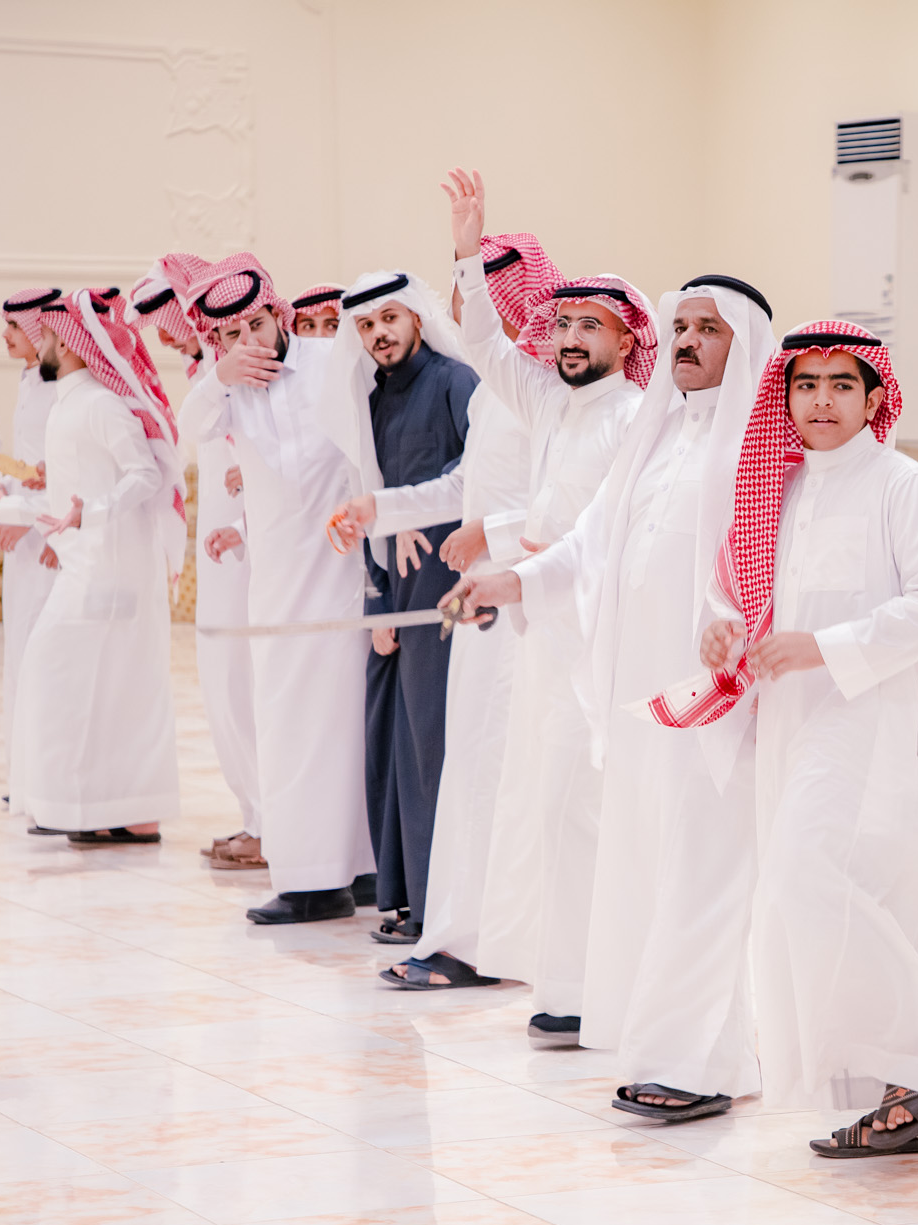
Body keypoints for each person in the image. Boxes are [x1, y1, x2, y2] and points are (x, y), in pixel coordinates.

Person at [444, 274, 777, 1111]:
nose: (690, 340)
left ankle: (699, 1064)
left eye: (710, 328)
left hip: (716, 700)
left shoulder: (758, 447)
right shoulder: (656, 436)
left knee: (704, 871)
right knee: (648, 864)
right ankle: (679, 1049)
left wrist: (735, 627)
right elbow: (589, 543)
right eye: (682, 325)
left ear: (745, 344)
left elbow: (772, 564)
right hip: (638, 699)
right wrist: (510, 580)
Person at [661, 319, 918, 1150]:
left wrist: (823, 647)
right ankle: (892, 1088)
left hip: (877, 730)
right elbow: (733, 592)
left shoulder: (906, 486)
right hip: (795, 727)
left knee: (813, 885)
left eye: (841, 384)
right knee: (806, 907)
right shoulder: (780, 487)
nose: (821, 400)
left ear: (874, 398)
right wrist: (720, 629)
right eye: (805, 384)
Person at [441, 168, 653, 1045]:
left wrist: (519, 566)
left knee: (580, 808)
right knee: (542, 804)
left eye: (588, 326)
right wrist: (468, 250)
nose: (568, 338)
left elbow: (605, 536)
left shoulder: (633, 415)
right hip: (543, 634)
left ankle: (594, 986)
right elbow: (486, 347)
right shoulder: (553, 403)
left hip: (596, 642)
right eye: (562, 323)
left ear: (625, 338)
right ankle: (561, 982)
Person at [333, 256, 537, 966]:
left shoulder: (471, 384)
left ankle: (455, 922)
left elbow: (497, 492)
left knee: (453, 747)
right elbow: (446, 487)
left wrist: (467, 530)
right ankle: (425, 907)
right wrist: (380, 519)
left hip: (479, 587)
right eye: (366, 325)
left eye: (390, 317)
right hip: (430, 586)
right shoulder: (401, 397)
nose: (379, 334)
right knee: (420, 743)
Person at [185, 254, 376, 923]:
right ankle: (306, 880)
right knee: (288, 728)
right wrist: (221, 375)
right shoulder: (225, 389)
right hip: (278, 592)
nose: (250, 344)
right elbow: (190, 426)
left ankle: (360, 871)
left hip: (345, 580)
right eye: (231, 335)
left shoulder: (331, 363)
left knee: (350, 727)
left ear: (279, 314)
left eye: (257, 326)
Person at [9, 289, 185, 842]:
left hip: (112, 570)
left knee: (93, 677)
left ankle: (121, 810)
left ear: (70, 345)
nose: (42, 344)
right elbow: (68, 490)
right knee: (101, 686)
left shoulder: (102, 405)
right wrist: (4, 508)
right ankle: (108, 810)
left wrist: (94, 511)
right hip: (86, 565)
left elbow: (146, 475)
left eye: (49, 336)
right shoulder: (69, 403)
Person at [133, 255, 266, 869]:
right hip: (221, 558)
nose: (164, 336)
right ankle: (255, 815)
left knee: (246, 682)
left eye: (169, 320)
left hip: (250, 552)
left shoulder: (245, 370)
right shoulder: (210, 377)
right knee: (222, 683)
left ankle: (271, 825)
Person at [0, 288, 63, 805]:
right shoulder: (29, 383)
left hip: (51, 542)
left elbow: (69, 473)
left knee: (42, 657)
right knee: (19, 656)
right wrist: (2, 489)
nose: (5, 335)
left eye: (14, 326)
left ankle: (43, 781)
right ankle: (23, 780)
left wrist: (28, 520)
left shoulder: (60, 389)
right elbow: (30, 466)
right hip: (24, 543)